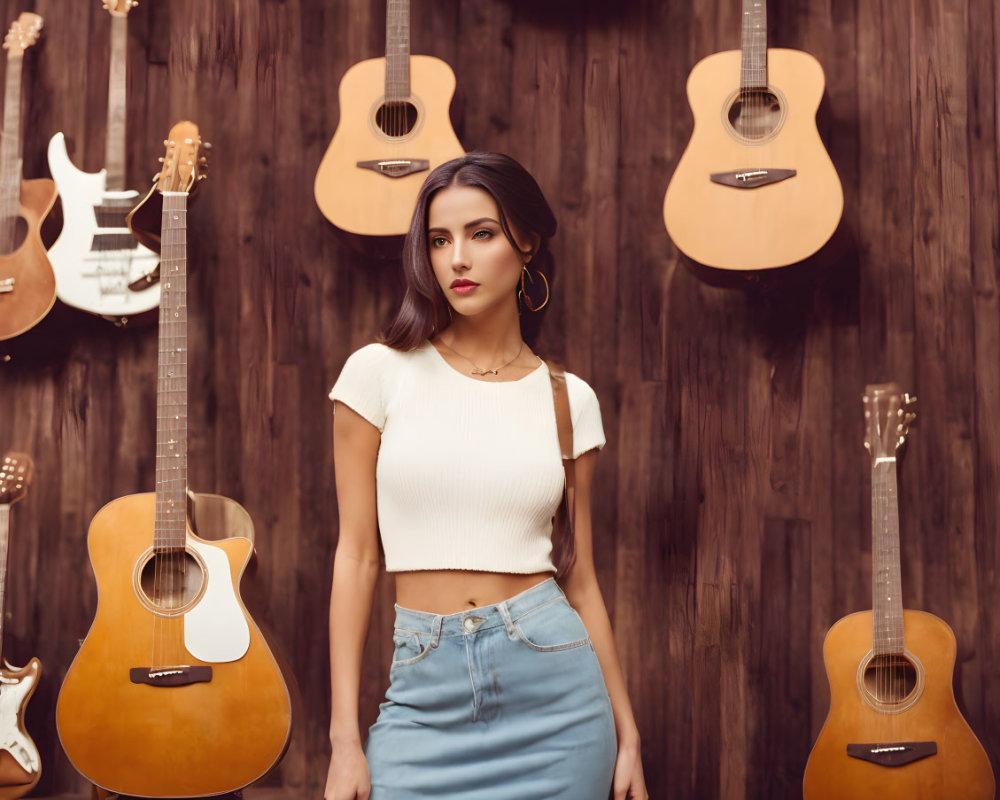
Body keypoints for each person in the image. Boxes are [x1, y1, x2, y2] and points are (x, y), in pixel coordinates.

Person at [324, 152, 648, 800]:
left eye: (482, 234)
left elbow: (579, 576)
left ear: (526, 243)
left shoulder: (569, 400)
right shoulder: (377, 374)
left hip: (558, 703)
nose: (457, 260)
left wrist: (629, 733)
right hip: (422, 700)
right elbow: (357, 557)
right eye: (439, 240)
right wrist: (342, 741)